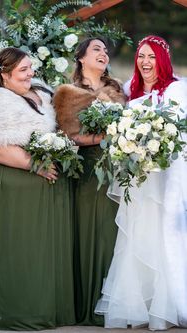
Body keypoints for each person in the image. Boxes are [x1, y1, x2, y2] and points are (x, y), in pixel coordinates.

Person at [0, 47, 76, 330]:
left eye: (30, 68)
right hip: (0, 183)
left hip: (31, 188)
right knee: (10, 247)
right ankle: (12, 310)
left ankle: (41, 305)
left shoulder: (40, 93)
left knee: (34, 249)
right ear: (4, 76)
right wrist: (34, 165)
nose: (30, 74)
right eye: (23, 70)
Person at [95, 35, 187, 330]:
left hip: (165, 177)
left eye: (151, 57)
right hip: (137, 179)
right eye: (141, 57)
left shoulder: (176, 90)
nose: (145, 63)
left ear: (162, 60)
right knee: (137, 236)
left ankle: (167, 305)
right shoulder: (128, 90)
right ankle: (141, 307)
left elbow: (179, 135)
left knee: (164, 235)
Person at [53, 37, 126, 326]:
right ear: (81, 57)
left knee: (113, 233)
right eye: (96, 49)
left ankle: (112, 305)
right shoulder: (66, 93)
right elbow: (67, 135)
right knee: (88, 233)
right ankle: (87, 306)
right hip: (85, 171)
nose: (103, 54)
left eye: (106, 51)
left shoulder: (117, 89)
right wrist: (100, 138)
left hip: (117, 171)